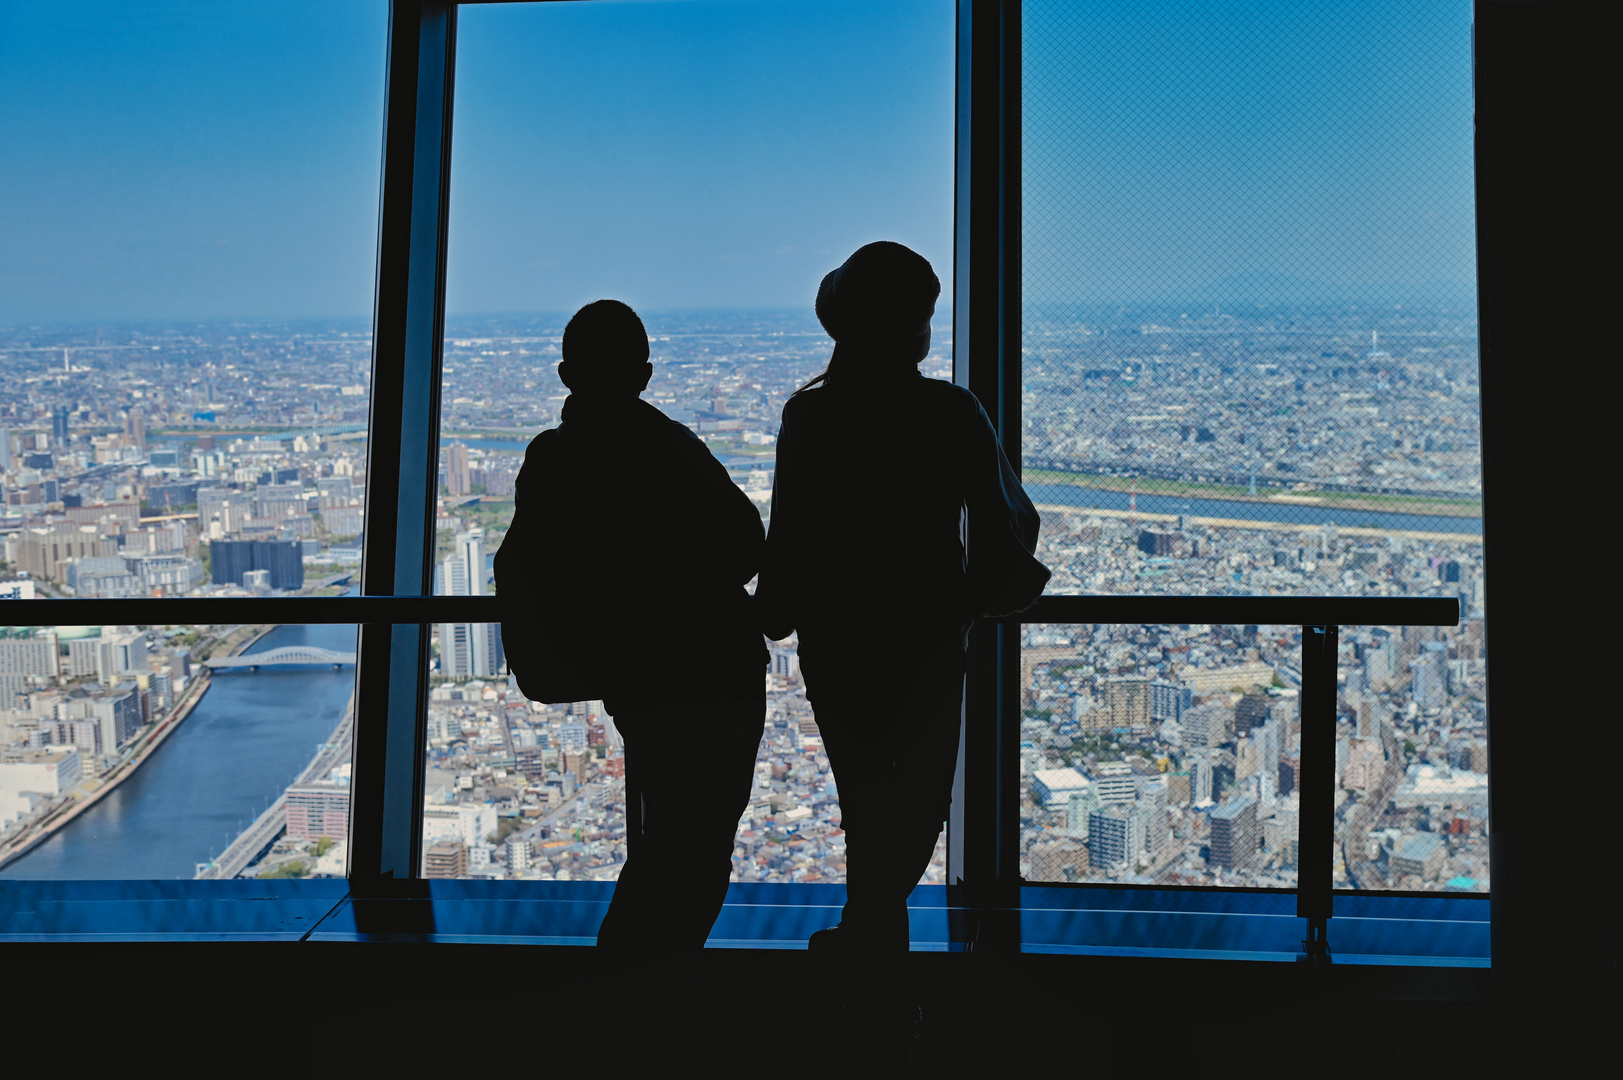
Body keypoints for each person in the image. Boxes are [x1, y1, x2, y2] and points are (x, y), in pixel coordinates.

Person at [756, 242, 1049, 954]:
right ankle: (873, 942)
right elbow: (1011, 522)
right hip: (925, 634)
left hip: (836, 637)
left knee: (863, 794)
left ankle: (870, 940)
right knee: (918, 799)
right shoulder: (950, 411)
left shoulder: (812, 416)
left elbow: (788, 533)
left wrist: (775, 608)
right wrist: (971, 597)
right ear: (917, 330)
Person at [495, 299, 767, 955]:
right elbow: (745, 545)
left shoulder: (555, 459)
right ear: (644, 374)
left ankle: (630, 995)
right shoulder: (672, 445)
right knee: (695, 850)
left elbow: (527, 562)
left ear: (566, 375)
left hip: (638, 678)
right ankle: (636, 996)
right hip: (717, 667)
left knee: (666, 844)